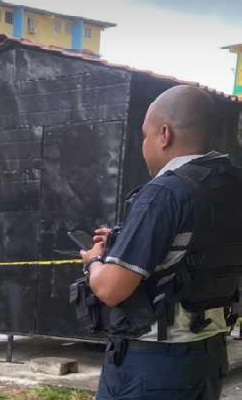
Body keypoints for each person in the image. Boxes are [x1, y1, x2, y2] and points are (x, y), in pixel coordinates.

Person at [79, 85, 241, 399]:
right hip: (207, 358)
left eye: (145, 135)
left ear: (164, 134)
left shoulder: (164, 192)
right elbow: (191, 244)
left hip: (152, 366)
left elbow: (112, 288)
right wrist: (121, 239)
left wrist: (94, 261)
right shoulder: (231, 186)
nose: (144, 144)